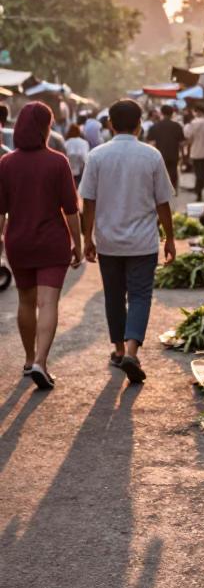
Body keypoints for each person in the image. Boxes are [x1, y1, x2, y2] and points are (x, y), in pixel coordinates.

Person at [79, 98, 176, 384]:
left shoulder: (96, 156)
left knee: (113, 295)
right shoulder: (152, 156)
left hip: (109, 241)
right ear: (139, 125)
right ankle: (132, 351)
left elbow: (89, 202)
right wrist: (169, 237)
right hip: (143, 242)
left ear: (109, 124)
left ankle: (119, 351)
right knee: (140, 296)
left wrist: (88, 237)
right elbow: (163, 203)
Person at [0, 100, 83, 389]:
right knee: (48, 302)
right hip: (52, 242)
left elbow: (0, 211)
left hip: (18, 241)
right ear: (46, 128)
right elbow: (70, 208)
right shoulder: (57, 161)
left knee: (25, 300)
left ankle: (28, 359)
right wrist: (78, 242)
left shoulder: (6, 163)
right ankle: (41, 362)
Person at [146, 103, 185, 190]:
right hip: (173, 154)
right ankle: (173, 188)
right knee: (173, 172)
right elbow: (182, 143)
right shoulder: (177, 126)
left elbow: (150, 142)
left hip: (159, 154)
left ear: (161, 113)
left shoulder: (155, 126)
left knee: (160, 172)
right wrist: (183, 155)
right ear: (172, 113)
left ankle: (161, 189)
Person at [184, 102, 204, 201]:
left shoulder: (192, 124)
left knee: (198, 173)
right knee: (202, 173)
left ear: (196, 111)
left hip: (195, 153)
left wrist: (187, 153)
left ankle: (198, 192)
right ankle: (199, 190)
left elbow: (189, 140)